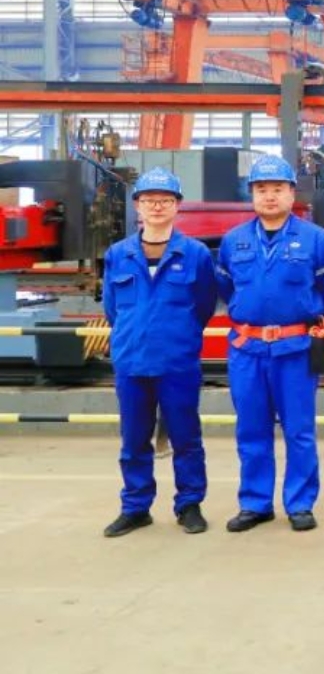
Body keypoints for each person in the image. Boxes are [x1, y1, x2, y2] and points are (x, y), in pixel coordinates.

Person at [216, 155, 324, 533]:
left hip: (295, 350)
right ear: (252, 195)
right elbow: (225, 288)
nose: (269, 196)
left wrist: (302, 317)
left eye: (277, 189)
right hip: (247, 350)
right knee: (251, 429)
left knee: (299, 430)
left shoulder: (315, 239)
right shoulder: (233, 241)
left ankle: (300, 503)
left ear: (291, 194)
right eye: (261, 190)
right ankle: (255, 503)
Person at [101, 168, 220, 537]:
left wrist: (178, 335)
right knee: (133, 440)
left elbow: (204, 306)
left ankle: (189, 505)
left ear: (177, 206)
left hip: (177, 362)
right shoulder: (118, 255)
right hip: (131, 362)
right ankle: (136, 507)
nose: (156, 206)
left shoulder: (195, 254)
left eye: (165, 200)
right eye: (149, 200)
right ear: (137, 205)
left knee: (186, 437)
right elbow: (112, 309)